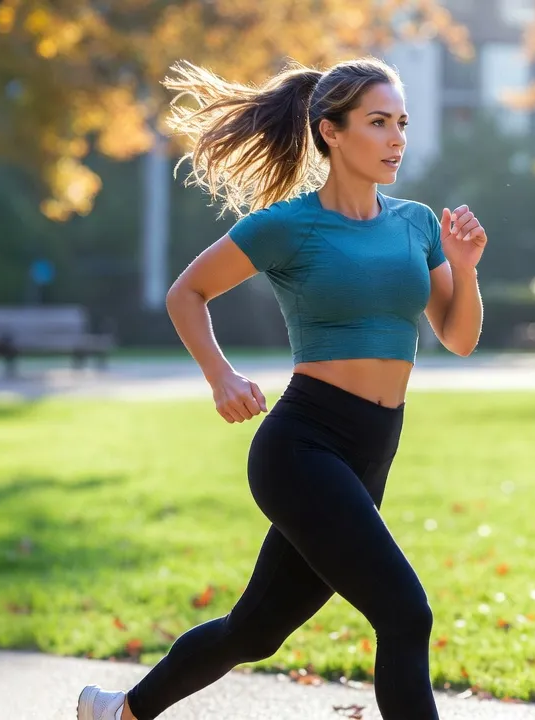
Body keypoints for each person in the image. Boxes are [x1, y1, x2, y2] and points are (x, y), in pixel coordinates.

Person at [78, 56, 488, 720]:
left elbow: (459, 337)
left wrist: (465, 270)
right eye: (378, 123)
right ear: (331, 131)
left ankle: (118, 712)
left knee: (256, 631)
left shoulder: (415, 223)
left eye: (402, 124)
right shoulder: (288, 226)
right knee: (405, 613)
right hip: (303, 448)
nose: (396, 140)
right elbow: (188, 294)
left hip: (370, 453)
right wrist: (221, 377)